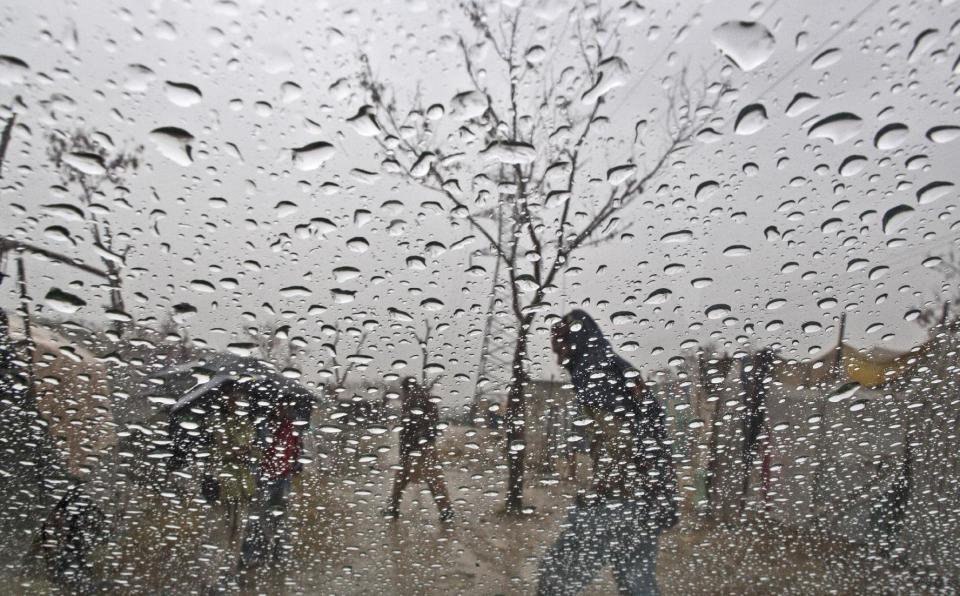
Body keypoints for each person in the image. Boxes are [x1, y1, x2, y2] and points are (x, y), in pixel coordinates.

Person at [538, 310, 678, 596]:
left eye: (558, 349)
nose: (557, 358)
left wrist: (603, 488)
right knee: (637, 583)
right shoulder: (615, 365)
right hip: (648, 498)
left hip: (620, 500)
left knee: (554, 580)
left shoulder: (591, 371)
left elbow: (619, 436)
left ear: (574, 340)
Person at [239, 402, 303, 571]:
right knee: (256, 517)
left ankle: (280, 555)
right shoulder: (263, 424)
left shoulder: (291, 426)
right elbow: (257, 449)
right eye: (279, 406)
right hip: (264, 478)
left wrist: (295, 465)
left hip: (284, 478)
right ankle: (248, 556)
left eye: (285, 406)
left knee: (281, 519)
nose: (283, 409)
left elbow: (297, 449)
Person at [383, 376, 453, 521]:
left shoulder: (411, 399)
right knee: (432, 479)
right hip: (426, 444)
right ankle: (446, 511)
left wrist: (405, 450)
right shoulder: (425, 396)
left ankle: (393, 508)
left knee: (404, 479)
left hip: (416, 446)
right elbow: (432, 421)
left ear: (405, 388)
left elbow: (409, 426)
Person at [209, 380, 257, 539]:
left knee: (241, 514)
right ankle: (228, 541)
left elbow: (251, 443)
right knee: (227, 515)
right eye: (230, 398)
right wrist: (235, 451)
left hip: (243, 474)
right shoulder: (218, 420)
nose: (233, 402)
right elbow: (219, 446)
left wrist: (247, 450)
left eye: (236, 398)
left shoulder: (245, 421)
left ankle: (236, 542)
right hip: (227, 473)